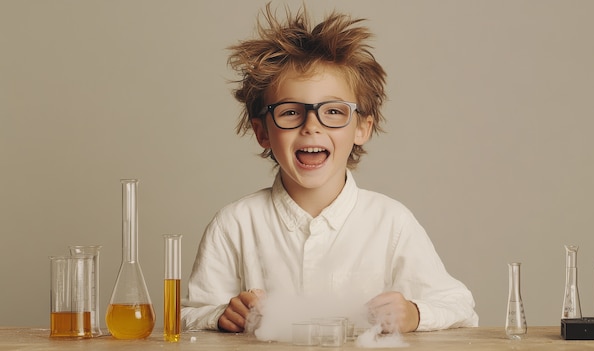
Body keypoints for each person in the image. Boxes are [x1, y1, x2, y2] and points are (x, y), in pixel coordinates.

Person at [181, 4, 478, 335]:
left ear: (362, 128)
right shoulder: (234, 224)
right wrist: (220, 314)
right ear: (263, 132)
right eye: (291, 112)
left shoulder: (391, 222)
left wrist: (414, 313)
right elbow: (189, 315)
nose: (312, 126)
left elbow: (459, 305)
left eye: (333, 112)